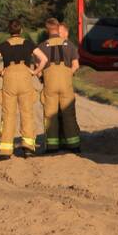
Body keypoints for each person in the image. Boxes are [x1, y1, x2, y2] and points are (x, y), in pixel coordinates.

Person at [0, 19, 47, 160]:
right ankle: (28, 148)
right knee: (27, 113)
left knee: (8, 114)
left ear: (9, 31)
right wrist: (34, 71)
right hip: (25, 77)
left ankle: (6, 150)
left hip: (9, 79)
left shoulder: (4, 45)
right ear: (20, 30)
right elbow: (43, 59)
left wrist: (0, 73)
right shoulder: (28, 43)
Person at [35, 18, 81, 154]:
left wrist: (43, 79)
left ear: (47, 30)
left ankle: (52, 146)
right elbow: (76, 65)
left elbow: (38, 68)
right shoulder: (70, 45)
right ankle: (74, 145)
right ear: (57, 29)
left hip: (50, 84)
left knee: (50, 115)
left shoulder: (42, 46)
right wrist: (68, 75)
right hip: (66, 84)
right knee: (69, 114)